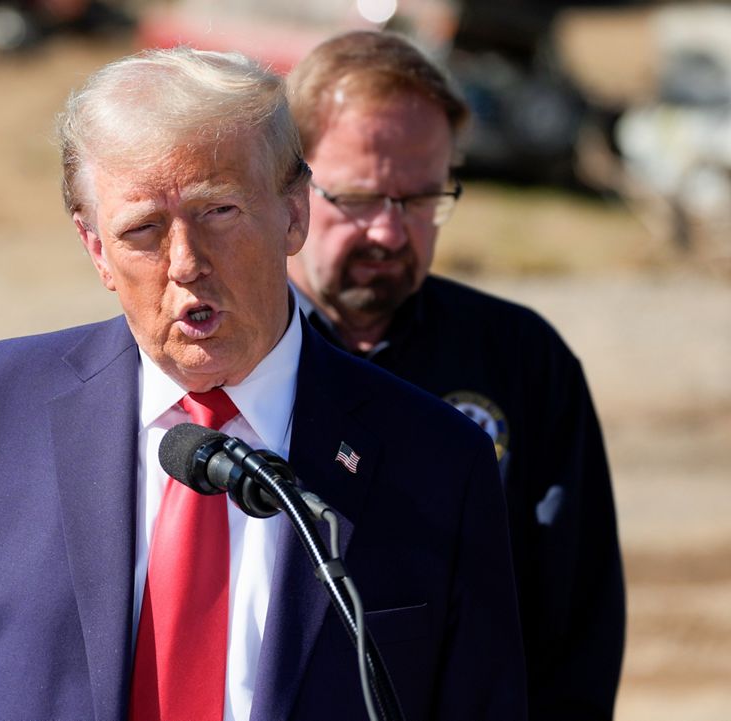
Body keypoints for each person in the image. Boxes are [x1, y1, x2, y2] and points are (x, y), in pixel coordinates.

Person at [0, 47, 526, 720]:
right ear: (95, 248)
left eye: (219, 211)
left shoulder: (437, 460)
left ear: (295, 213)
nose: (185, 261)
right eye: (143, 229)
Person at [284, 31, 626, 720]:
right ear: (289, 187)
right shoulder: (228, 363)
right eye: (359, 197)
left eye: (420, 199)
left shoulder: (522, 360)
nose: (388, 231)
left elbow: (576, 619)